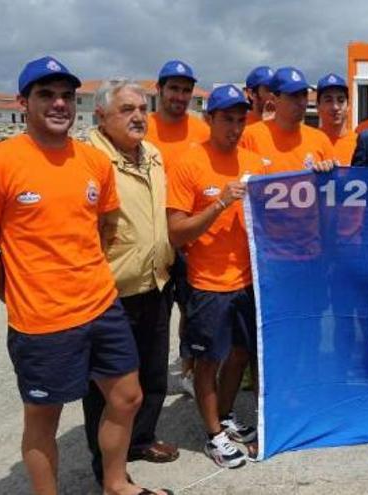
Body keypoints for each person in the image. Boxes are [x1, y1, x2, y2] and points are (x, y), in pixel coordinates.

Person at [0, 56, 172, 495]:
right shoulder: (4, 161)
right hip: (42, 320)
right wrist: (17, 293)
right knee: (44, 418)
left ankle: (115, 484)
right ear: (23, 102)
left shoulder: (94, 162)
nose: (59, 103)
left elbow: (104, 228)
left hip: (101, 305)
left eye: (66, 96)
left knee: (128, 397)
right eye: (46, 95)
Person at [166, 85, 268, 468]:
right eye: (227, 119)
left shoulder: (255, 162)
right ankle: (213, 436)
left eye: (241, 119)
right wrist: (220, 202)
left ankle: (223, 417)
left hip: (248, 281)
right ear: (209, 120)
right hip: (208, 284)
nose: (236, 127)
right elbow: (177, 232)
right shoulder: (189, 163)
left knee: (241, 356)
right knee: (208, 362)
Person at [83, 78, 178, 484]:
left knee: (152, 373)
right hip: (112, 292)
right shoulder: (88, 158)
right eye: (126, 109)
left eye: (142, 107)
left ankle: (141, 439)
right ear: (101, 116)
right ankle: (103, 468)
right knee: (105, 389)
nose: (138, 116)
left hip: (156, 282)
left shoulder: (153, 154)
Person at [145, 59, 210, 397]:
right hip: (151, 237)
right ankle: (148, 380)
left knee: (191, 309)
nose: (180, 96)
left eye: (186, 90)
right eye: (174, 88)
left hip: (188, 237)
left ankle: (188, 370)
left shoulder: (202, 130)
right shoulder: (143, 126)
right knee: (154, 315)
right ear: (160, 90)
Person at [240, 66, 336, 173]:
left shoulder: (320, 140)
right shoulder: (249, 137)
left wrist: (327, 172)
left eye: (304, 94)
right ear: (274, 99)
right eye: (293, 95)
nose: (301, 102)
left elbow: (335, 184)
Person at [317, 73, 357, 165]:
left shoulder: (360, 143)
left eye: (341, 100)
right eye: (328, 100)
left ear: (348, 107)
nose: (335, 107)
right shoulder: (309, 142)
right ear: (318, 106)